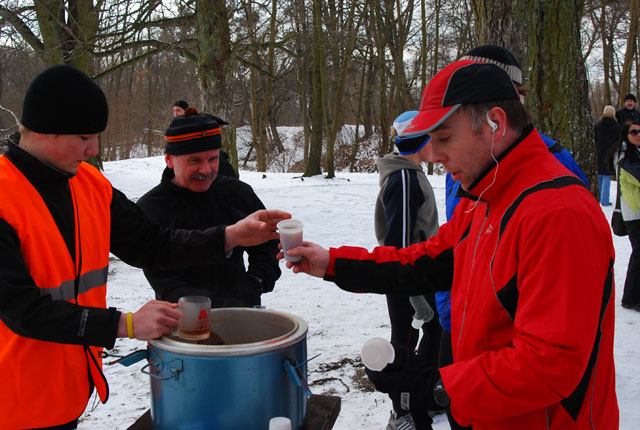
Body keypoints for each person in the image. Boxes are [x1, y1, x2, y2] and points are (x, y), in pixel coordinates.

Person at [282, 59, 618, 429]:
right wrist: (331, 262)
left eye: (444, 138)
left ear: (495, 123)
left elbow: (551, 363)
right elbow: (425, 261)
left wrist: (440, 388)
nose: (433, 156)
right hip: (488, 414)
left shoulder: (557, 213)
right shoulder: (485, 198)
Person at [0, 64, 290, 430]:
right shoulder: (4, 197)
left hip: (66, 388)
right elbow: (21, 310)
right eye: (85, 136)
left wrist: (229, 236)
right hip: (12, 400)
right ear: (45, 130)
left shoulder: (89, 183)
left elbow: (150, 243)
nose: (93, 150)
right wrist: (127, 324)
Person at [137, 109, 281, 306]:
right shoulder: (151, 208)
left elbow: (268, 246)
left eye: (213, 159)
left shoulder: (237, 194)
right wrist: (212, 304)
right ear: (169, 160)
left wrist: (256, 280)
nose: (206, 170)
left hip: (242, 311)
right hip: (180, 317)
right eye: (194, 160)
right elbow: (162, 277)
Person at [374, 110, 440, 430]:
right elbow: (399, 243)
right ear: (420, 138)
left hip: (420, 274)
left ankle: (423, 397)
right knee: (404, 342)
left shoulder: (411, 172)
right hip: (406, 277)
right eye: (434, 135)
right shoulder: (403, 178)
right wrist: (413, 294)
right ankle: (402, 413)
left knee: (435, 332)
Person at [612, 120, 640, 312]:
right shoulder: (625, 158)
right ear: (626, 135)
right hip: (634, 214)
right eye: (634, 132)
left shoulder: (636, 153)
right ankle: (630, 298)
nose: (638, 134)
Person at [594, 105, 620, 206]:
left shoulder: (598, 125)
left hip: (599, 152)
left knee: (600, 175)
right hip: (611, 153)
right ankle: (605, 200)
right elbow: (619, 140)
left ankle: (601, 197)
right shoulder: (617, 126)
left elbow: (595, 138)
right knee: (607, 176)